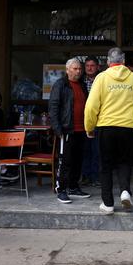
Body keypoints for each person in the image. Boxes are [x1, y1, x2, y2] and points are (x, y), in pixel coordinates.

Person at [84, 48, 133, 214]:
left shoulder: (101, 78)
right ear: (123, 61)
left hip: (106, 126)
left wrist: (89, 127)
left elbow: (91, 106)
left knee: (106, 165)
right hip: (128, 126)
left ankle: (108, 203)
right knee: (124, 162)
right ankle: (125, 191)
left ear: (108, 62)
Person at [49, 58, 91, 203]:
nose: (78, 71)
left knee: (78, 161)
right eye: (75, 69)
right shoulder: (61, 85)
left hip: (81, 129)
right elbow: (53, 107)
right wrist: (57, 129)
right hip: (66, 130)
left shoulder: (82, 85)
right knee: (65, 161)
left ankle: (73, 187)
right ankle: (61, 189)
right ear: (67, 70)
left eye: (79, 69)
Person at [81, 56, 101, 186]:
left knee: (97, 151)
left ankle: (96, 177)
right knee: (85, 150)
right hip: (83, 121)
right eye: (87, 65)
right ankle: (86, 176)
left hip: (99, 121)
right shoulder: (80, 81)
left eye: (92, 65)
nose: (89, 68)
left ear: (97, 67)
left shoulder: (102, 80)